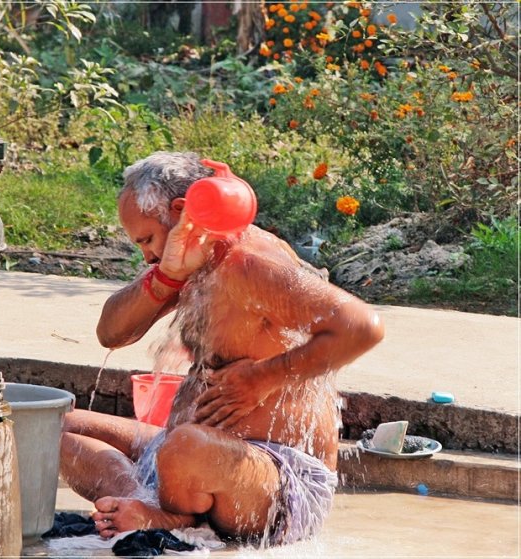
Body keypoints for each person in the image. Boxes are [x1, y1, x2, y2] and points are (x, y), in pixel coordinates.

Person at [60, 151, 384, 546]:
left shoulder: (248, 264)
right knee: (50, 426)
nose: (145, 254)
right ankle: (138, 503)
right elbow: (111, 333)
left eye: (147, 240)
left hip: (274, 482)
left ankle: (169, 517)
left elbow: (362, 327)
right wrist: (165, 275)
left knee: (185, 445)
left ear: (182, 212)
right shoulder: (191, 257)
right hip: (186, 460)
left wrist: (262, 378)